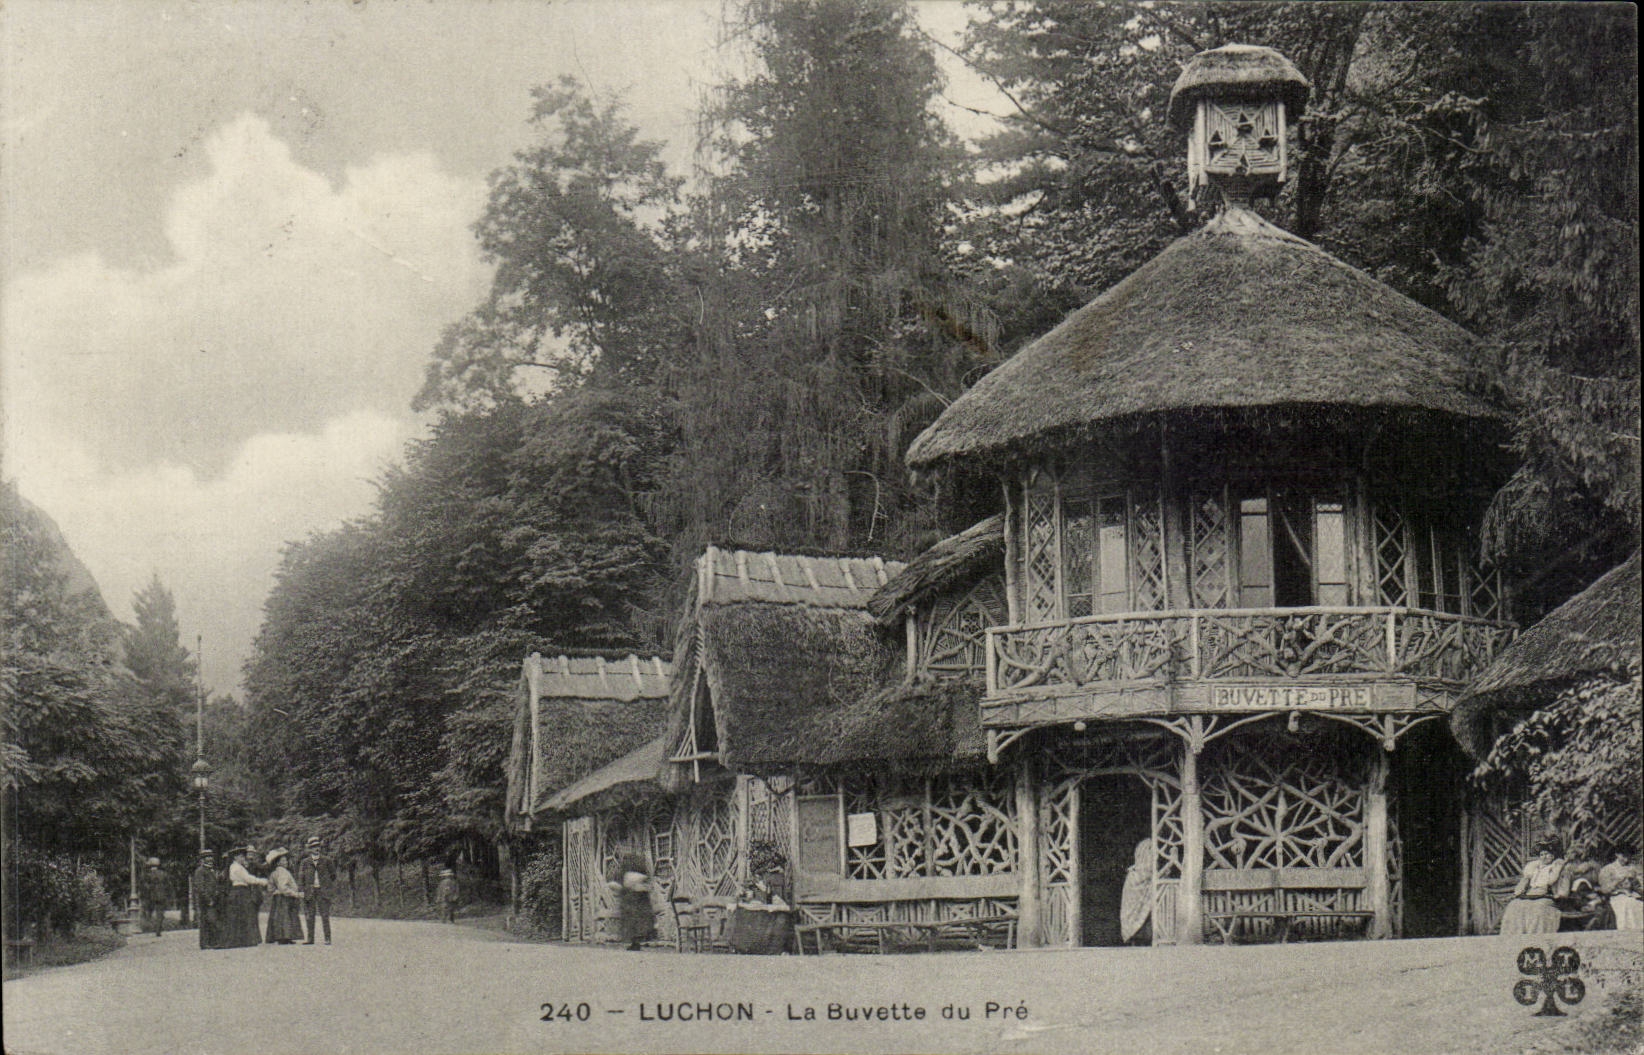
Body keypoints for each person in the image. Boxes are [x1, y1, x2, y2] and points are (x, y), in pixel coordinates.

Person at [1499, 838, 1567, 935]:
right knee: (1514, 905)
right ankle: (1514, 939)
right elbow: (1522, 885)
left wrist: (1559, 894)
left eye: (1547, 854)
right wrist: (1518, 892)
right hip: (1530, 895)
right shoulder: (1533, 869)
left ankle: (1535, 940)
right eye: (1542, 855)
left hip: (1547, 896)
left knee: (1538, 908)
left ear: (1553, 856)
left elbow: (1562, 890)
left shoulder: (1557, 869)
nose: (1544, 857)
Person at [607, 851, 655, 951]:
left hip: (634, 901)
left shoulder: (631, 873)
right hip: (634, 900)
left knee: (634, 921)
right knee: (634, 922)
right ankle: (635, 942)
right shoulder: (634, 872)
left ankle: (636, 942)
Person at [223, 846, 269, 948]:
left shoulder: (237, 866)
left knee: (242, 915)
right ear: (235, 857)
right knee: (242, 915)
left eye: (243, 857)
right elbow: (248, 879)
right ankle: (241, 940)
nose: (243, 859)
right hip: (240, 891)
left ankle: (241, 940)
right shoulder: (237, 867)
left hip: (240, 891)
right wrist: (262, 881)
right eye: (240, 857)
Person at [297, 836, 335, 945]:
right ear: (309, 849)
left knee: (325, 915)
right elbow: (301, 877)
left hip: (323, 891)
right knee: (310, 916)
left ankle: (327, 938)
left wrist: (326, 886)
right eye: (313, 847)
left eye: (318, 846)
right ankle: (310, 939)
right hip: (310, 892)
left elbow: (333, 875)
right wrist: (301, 890)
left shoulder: (327, 860)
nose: (316, 849)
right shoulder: (305, 862)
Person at [263, 848, 304, 944]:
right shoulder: (283, 872)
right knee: (285, 917)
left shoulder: (274, 873)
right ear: (278, 863)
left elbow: (270, 888)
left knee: (278, 917)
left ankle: (280, 937)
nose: (286, 862)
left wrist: (275, 891)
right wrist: (295, 894)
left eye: (286, 860)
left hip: (277, 898)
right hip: (285, 898)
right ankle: (285, 937)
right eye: (283, 860)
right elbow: (283, 887)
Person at [1119, 838, 1153, 945]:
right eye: (1150, 853)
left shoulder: (1144, 873)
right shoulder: (1135, 874)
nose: (1153, 857)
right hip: (1134, 921)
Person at [1598, 848, 1643, 930]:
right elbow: (1604, 890)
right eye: (1623, 856)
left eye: (1628, 857)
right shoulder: (1608, 869)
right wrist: (1617, 881)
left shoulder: (1633, 868)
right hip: (1616, 897)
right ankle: (1627, 930)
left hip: (1632, 895)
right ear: (1617, 854)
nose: (1626, 860)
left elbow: (1639, 886)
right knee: (1628, 904)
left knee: (1639, 904)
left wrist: (1635, 881)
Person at [192, 849, 222, 950]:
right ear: (202, 859)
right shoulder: (200, 871)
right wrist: (208, 899)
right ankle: (205, 943)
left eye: (210, 857)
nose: (210, 859)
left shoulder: (211, 870)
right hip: (206, 900)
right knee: (207, 921)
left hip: (213, 898)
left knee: (211, 920)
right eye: (207, 857)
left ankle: (212, 942)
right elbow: (200, 887)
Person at [139, 857, 169, 938]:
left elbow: (144, 886)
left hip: (150, 897)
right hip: (161, 896)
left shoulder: (147, 875)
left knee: (148, 912)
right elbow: (167, 885)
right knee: (160, 913)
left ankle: (147, 927)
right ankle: (158, 929)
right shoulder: (163, 874)